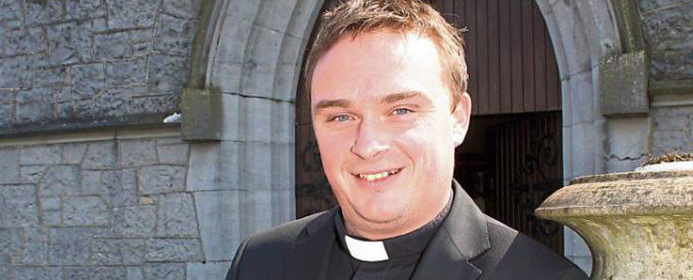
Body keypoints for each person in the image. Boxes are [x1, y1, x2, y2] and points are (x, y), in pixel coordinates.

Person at [226, 0, 589, 279]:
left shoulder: (539, 276)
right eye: (341, 116)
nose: (368, 145)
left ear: (457, 118)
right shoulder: (261, 262)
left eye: (401, 110)